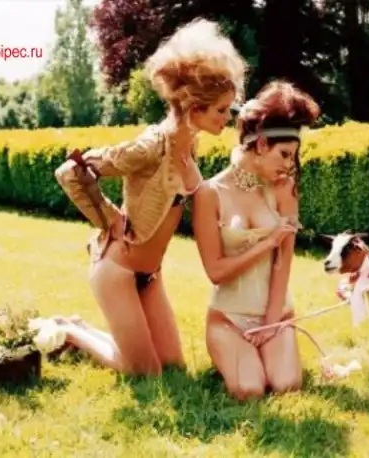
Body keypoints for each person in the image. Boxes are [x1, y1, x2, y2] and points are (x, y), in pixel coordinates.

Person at [52, 18, 247, 376]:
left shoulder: (190, 145)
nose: (226, 118)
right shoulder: (151, 146)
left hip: (150, 274)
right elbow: (71, 171)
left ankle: (79, 326)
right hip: (117, 270)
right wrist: (109, 216)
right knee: (144, 372)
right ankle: (70, 333)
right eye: (221, 110)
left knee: (172, 368)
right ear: (194, 108)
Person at [192, 80, 321, 399]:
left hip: (275, 313)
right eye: (284, 154)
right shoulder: (210, 193)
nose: (289, 165)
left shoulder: (284, 189)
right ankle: (236, 354)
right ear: (261, 144)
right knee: (250, 389)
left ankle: (267, 348)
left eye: (293, 156)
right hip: (229, 318)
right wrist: (267, 242)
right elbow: (215, 272)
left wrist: (272, 322)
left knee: (286, 386)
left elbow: (283, 263)